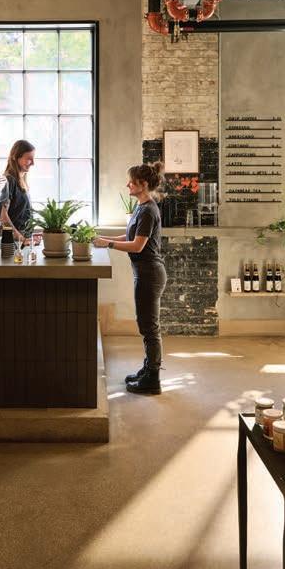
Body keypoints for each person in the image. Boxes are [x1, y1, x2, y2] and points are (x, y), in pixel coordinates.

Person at [94, 161, 167, 396]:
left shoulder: (148, 211)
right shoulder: (140, 207)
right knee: (145, 324)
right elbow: (129, 235)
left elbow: (137, 246)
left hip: (150, 274)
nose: (128, 185)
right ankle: (147, 369)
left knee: (149, 328)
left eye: (131, 182)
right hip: (144, 273)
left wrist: (108, 244)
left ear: (143, 184)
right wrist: (101, 238)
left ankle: (152, 378)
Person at [0, 139, 36, 243]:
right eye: (29, 159)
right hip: (16, 242)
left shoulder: (21, 179)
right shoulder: (9, 180)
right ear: (15, 157)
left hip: (24, 239)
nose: (33, 163)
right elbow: (3, 215)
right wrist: (20, 238)